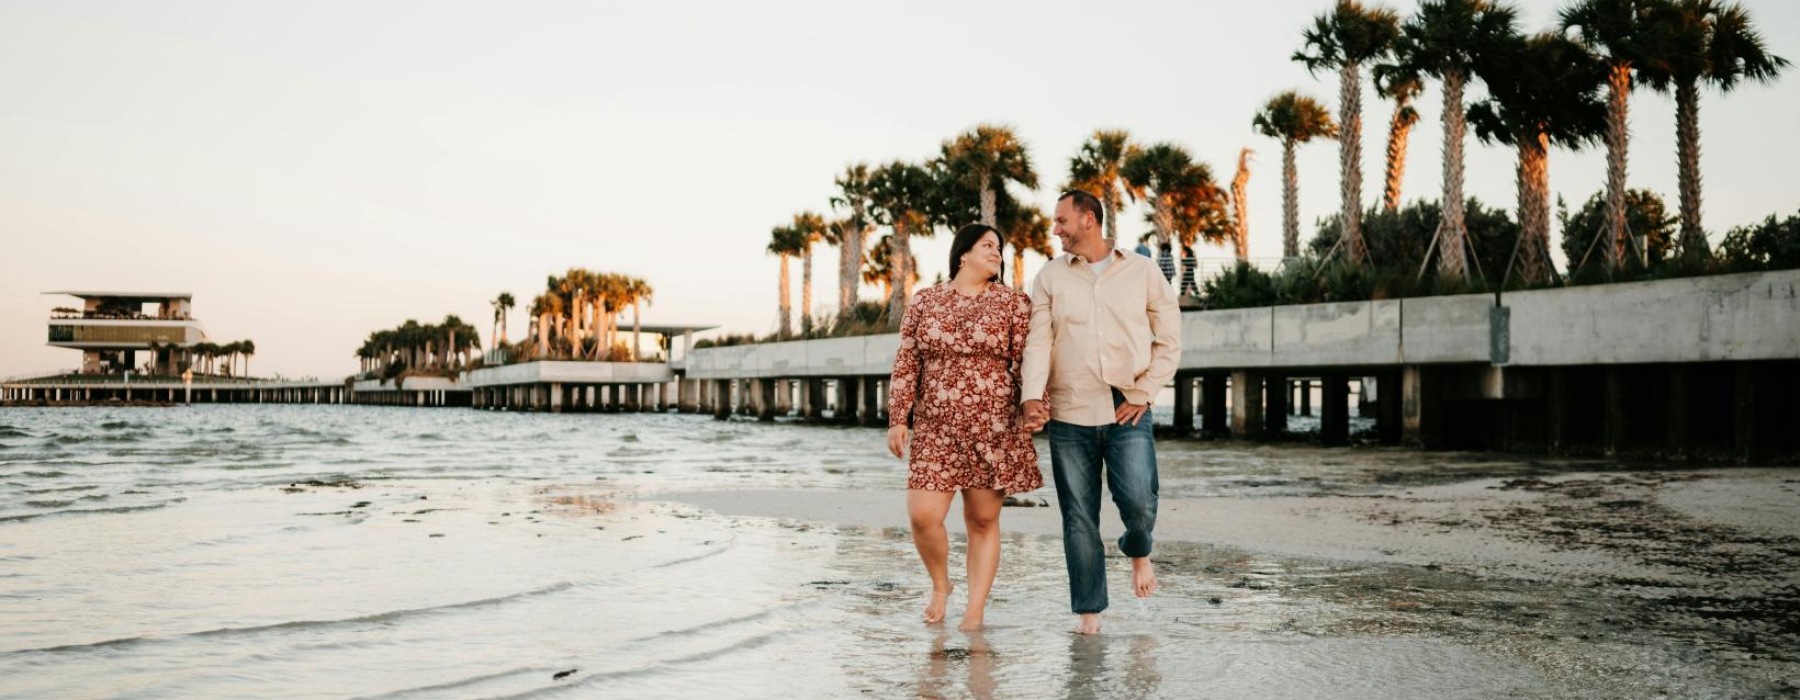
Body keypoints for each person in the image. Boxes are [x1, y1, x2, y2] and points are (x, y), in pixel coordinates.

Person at [1021, 190, 1182, 635]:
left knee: (1139, 501)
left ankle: (1137, 548)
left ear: (1088, 219)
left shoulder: (1142, 270)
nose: (1055, 229)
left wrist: (1146, 391)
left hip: (1126, 404)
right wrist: (1031, 394)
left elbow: (1169, 339)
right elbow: (1039, 339)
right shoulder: (1049, 277)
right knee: (1078, 517)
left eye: (1061, 220)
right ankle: (1089, 615)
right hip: (1070, 409)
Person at [888, 223, 1042, 632]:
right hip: (936, 428)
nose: (996, 252)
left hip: (992, 425)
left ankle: (975, 610)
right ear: (963, 254)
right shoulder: (925, 301)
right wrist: (898, 418)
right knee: (923, 516)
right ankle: (941, 584)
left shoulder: (1013, 304)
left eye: (999, 247)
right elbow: (907, 362)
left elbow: (1029, 360)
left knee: (981, 520)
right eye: (987, 245)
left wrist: (1035, 406)